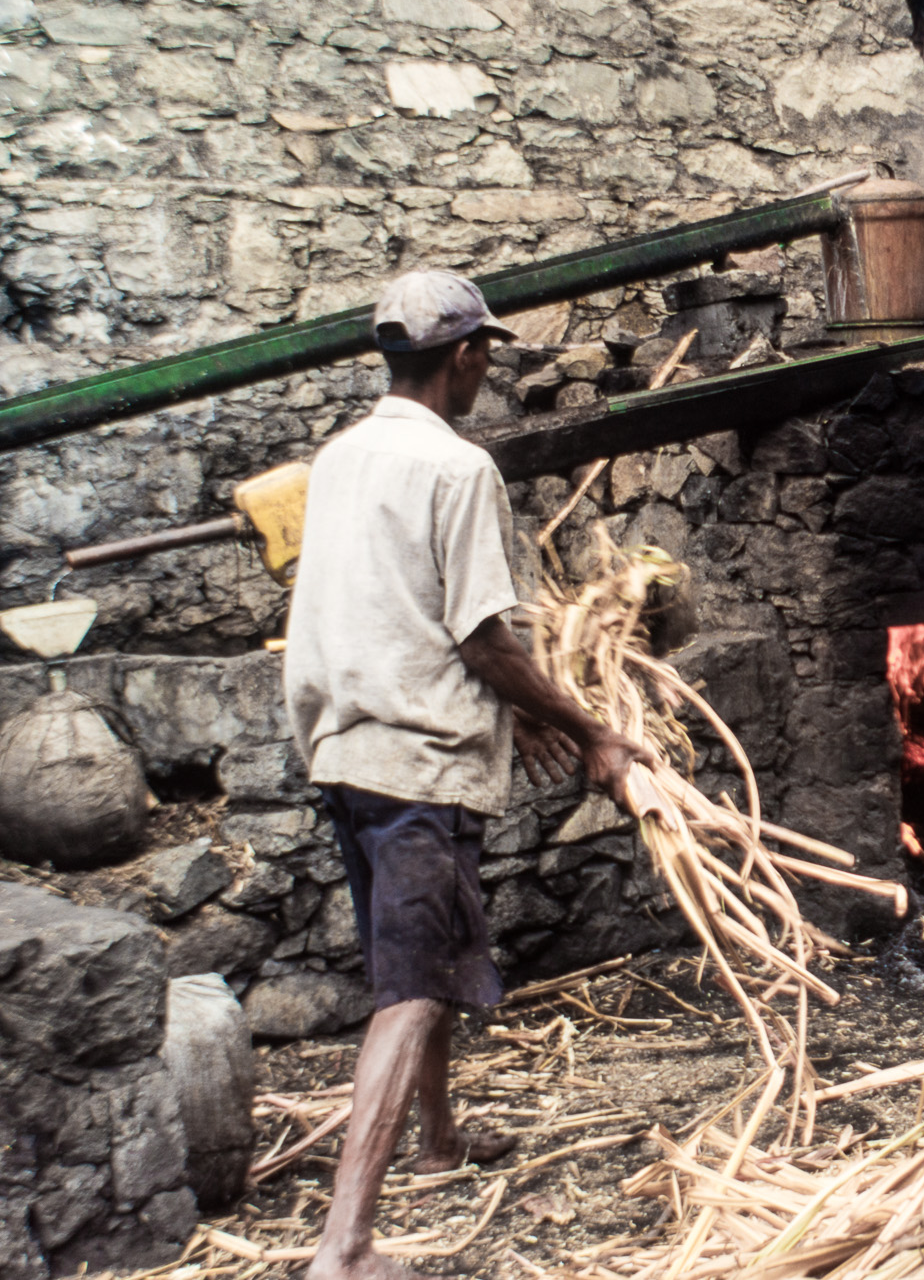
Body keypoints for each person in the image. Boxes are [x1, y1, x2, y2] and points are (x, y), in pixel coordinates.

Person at [284, 271, 655, 1280]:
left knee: (425, 964)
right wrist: (589, 729)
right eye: (486, 353)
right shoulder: (457, 470)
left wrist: (506, 707)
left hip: (345, 750)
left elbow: (398, 614)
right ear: (463, 357)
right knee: (412, 988)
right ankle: (345, 1246)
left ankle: (439, 1143)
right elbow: (484, 638)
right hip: (418, 764)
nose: (489, 369)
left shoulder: (340, 458)